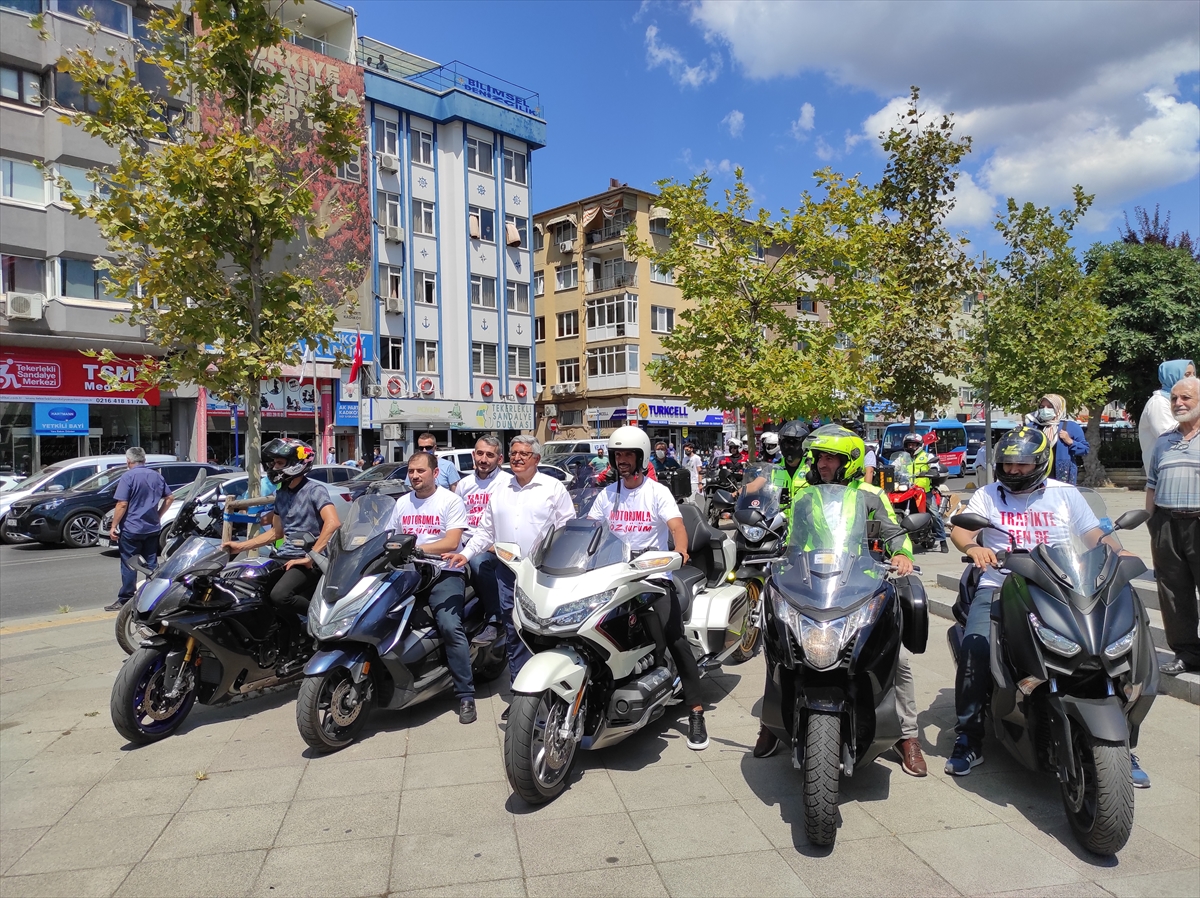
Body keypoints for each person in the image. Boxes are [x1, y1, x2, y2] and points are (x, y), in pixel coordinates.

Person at [947, 425, 1150, 786]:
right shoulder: (987, 495)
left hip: (1063, 584)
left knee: (1120, 641)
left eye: (1022, 465)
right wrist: (973, 547)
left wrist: (1119, 552)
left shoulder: (1066, 495)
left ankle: (1122, 740)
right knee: (977, 647)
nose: (1013, 471)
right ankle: (969, 736)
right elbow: (961, 530)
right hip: (1001, 583)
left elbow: (1095, 533)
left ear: (1041, 462)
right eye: (1008, 465)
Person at [751, 425, 927, 777]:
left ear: (849, 462)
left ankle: (907, 736)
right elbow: (789, 538)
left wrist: (902, 556)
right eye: (819, 457)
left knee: (899, 661)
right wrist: (771, 548)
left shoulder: (870, 495)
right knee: (779, 647)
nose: (822, 463)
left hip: (860, 583)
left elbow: (895, 533)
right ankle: (771, 723)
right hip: (812, 583)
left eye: (830, 457)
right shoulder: (805, 495)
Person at [586, 426, 710, 750]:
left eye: (628, 454)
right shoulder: (606, 495)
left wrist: (680, 552)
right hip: (613, 576)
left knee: (673, 637)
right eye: (618, 455)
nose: (622, 460)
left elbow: (676, 526)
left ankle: (696, 711)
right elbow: (590, 531)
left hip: (653, 577)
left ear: (640, 457)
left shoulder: (657, 492)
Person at [446, 436, 574, 719]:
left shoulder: (553, 488)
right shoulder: (501, 490)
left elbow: (567, 529)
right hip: (508, 572)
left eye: (524, 454)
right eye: (514, 453)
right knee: (515, 633)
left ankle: (550, 694)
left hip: (543, 573)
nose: (517, 458)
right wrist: (465, 555)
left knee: (544, 632)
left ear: (536, 459)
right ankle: (520, 698)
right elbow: (485, 531)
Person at [388, 451, 477, 723]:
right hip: (410, 574)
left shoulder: (450, 501)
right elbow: (389, 536)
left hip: (445, 572)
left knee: (450, 626)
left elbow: (451, 542)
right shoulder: (402, 503)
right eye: (411, 471)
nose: (414, 476)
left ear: (435, 473)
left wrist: (413, 548)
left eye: (420, 471)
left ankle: (465, 695)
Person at [222, 438, 340, 621]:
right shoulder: (282, 493)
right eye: (273, 463)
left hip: (310, 559)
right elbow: (277, 533)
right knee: (252, 591)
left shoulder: (314, 490)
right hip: (284, 556)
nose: (274, 467)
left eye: (279, 463)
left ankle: (325, 622)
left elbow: (333, 523)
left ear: (296, 464)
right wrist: (241, 546)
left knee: (280, 595)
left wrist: (310, 557)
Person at [1145, 375, 1200, 676]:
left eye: (1186, 398)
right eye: (1175, 398)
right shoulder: (1164, 440)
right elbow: (1152, 485)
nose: (1179, 403)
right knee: (1172, 592)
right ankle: (1187, 653)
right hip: (1166, 523)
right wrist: (1151, 521)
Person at [456, 435, 512, 648]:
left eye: (490, 455)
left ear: (499, 458)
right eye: (480, 453)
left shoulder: (507, 483)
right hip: (465, 542)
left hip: (493, 546)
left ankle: (495, 619)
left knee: (478, 562)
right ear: (473, 455)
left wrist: (493, 544)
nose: (484, 459)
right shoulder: (464, 484)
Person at [106, 448, 174, 612]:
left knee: (130, 563)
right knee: (151, 563)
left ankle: (126, 600)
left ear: (128, 461)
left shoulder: (128, 476)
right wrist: (158, 515)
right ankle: (154, 596)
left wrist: (114, 525)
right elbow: (170, 497)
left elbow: (122, 504)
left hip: (132, 527)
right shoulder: (156, 475)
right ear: (144, 460)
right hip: (151, 527)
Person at [1139, 360, 1196, 475]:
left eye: (1194, 374)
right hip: (1165, 473)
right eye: (1187, 374)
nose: (1193, 378)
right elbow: (1169, 436)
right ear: (1172, 376)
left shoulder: (1183, 403)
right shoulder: (1159, 402)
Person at [897, 433, 948, 552]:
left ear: (919, 445)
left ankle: (942, 540)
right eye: (909, 444)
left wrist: (933, 470)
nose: (911, 447)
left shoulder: (927, 456)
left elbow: (935, 466)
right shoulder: (902, 458)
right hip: (907, 489)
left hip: (924, 491)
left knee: (934, 513)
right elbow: (894, 466)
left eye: (913, 444)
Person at [1026, 394, 1090, 485]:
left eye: (1050, 407)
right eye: (1042, 407)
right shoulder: (1032, 427)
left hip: (1062, 477)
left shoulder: (1071, 426)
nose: (1045, 409)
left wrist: (1070, 442)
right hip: (1036, 475)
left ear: (1058, 408)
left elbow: (1085, 449)